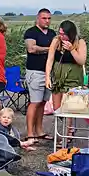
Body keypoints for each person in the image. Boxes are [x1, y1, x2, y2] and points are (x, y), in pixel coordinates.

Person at [23, 8, 55, 144]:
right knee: (34, 103)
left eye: (48, 18)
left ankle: (39, 131)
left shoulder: (52, 33)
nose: (47, 21)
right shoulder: (31, 32)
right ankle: (30, 134)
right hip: (35, 72)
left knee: (42, 103)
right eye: (44, 18)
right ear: (38, 18)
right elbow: (31, 48)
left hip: (48, 73)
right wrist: (50, 49)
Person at [45, 21, 87, 110]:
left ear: (71, 34)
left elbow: (81, 61)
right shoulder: (56, 40)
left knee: (70, 107)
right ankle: (60, 123)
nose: (61, 36)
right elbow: (50, 59)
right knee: (57, 108)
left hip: (72, 79)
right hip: (58, 79)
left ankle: (69, 124)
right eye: (60, 33)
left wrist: (72, 49)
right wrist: (47, 77)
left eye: (64, 34)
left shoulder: (80, 42)